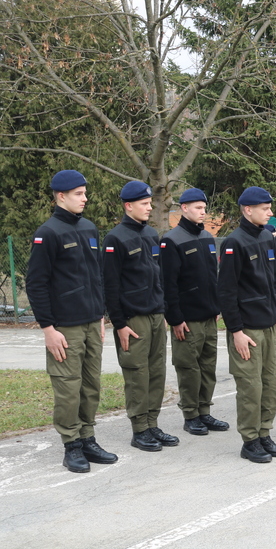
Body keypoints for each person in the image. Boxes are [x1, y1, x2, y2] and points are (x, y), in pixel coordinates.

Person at [26, 170, 117, 473]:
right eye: (79, 194)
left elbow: (97, 276)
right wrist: (48, 328)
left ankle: (88, 438)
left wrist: (100, 315)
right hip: (64, 327)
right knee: (68, 388)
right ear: (61, 196)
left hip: (91, 322)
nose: (85, 198)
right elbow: (36, 283)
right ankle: (72, 445)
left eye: (85, 193)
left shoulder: (89, 228)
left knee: (91, 385)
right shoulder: (48, 233)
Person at [104, 181, 177, 452]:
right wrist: (119, 323)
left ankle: (152, 424)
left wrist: (164, 309)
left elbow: (159, 276)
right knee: (137, 373)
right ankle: (139, 429)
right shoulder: (115, 238)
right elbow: (110, 285)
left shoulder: (150, 234)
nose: (149, 207)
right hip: (133, 319)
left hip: (156, 315)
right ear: (128, 206)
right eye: (144, 204)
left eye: (149, 203)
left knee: (157, 372)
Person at [218, 186, 276, 463]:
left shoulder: (267, 237)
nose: (270, 213)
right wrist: (236, 331)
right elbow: (226, 291)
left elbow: (274, 283)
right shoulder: (234, 242)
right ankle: (250, 441)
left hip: (269, 324)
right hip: (247, 328)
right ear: (248, 210)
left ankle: (264, 433)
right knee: (251, 387)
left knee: (271, 384)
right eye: (265, 208)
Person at [160, 188, 229, 437]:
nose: (203, 212)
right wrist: (175, 318)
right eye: (198, 208)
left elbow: (213, 276)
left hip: (209, 315)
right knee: (189, 369)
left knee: (208, 367)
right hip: (187, 319)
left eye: (204, 208)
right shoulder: (172, 240)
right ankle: (191, 415)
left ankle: (204, 411)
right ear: (184, 208)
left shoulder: (207, 237)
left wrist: (217, 307)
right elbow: (168, 283)